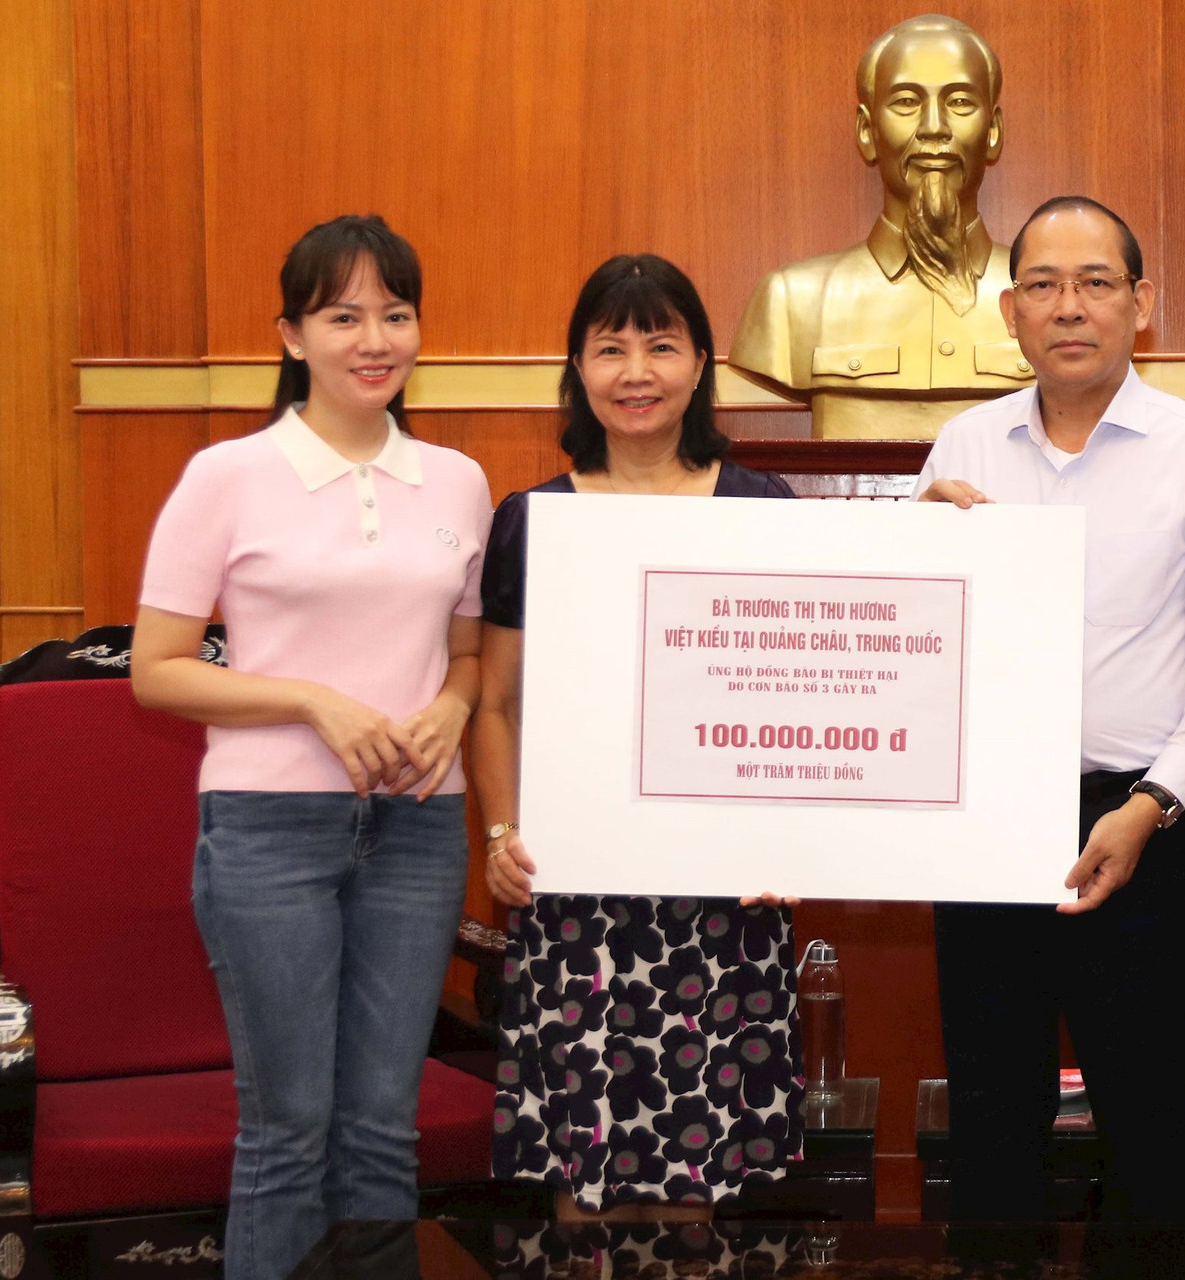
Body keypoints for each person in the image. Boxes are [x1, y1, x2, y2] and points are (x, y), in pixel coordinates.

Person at [131, 215, 491, 1280]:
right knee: (287, 1133)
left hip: (421, 825)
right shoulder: (226, 474)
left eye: (395, 312)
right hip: (268, 828)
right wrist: (311, 703)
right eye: (343, 315)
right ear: (291, 335)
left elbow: (468, 657)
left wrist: (455, 707)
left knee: (383, 1129)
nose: (374, 337)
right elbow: (158, 669)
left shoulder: (459, 480)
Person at [915, 196, 1185, 1223]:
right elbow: (916, 644)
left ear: (1141, 304)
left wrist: (1150, 803)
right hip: (983, 824)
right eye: (1042, 284)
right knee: (989, 1120)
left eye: (1094, 283)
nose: (1067, 306)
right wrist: (914, 554)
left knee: (1145, 1128)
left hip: (1141, 818)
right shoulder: (962, 446)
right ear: (1009, 310)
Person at [475, 254, 805, 1215]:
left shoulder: (758, 508)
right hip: (579, 896)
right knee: (583, 1182)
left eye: (661, 345)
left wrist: (798, 835)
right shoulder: (533, 520)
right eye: (610, 347)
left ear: (701, 362)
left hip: (725, 894)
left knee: (697, 1185)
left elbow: (801, 696)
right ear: (577, 367)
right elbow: (498, 704)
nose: (636, 371)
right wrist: (500, 837)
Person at [728, 14, 1033, 438]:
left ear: (994, 130)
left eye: (960, 102)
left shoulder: (1044, 300)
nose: (933, 128)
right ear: (867, 131)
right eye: (906, 102)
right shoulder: (791, 301)